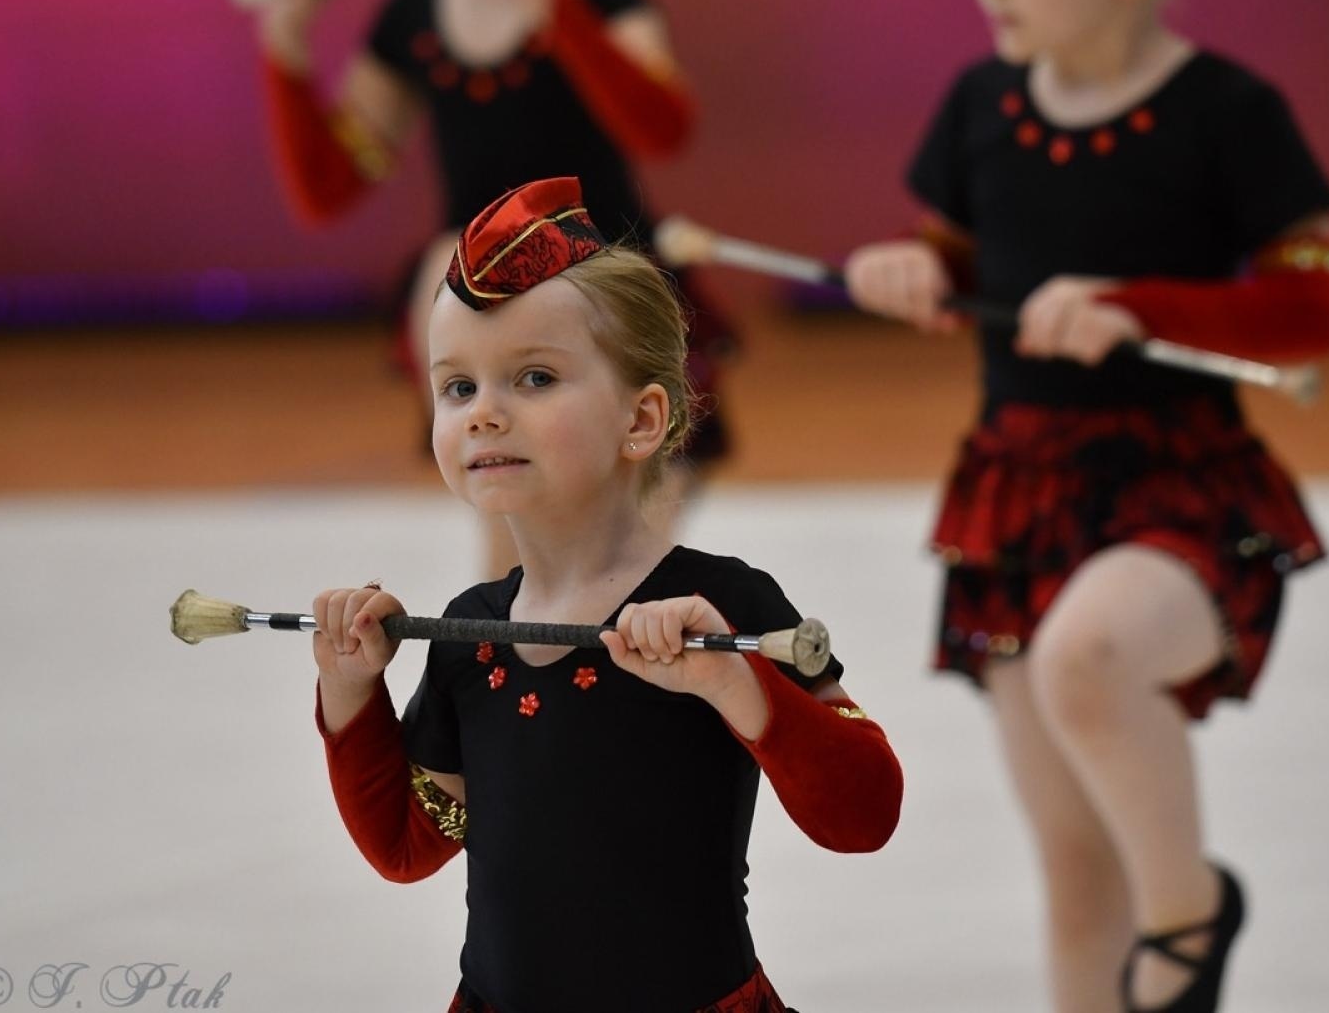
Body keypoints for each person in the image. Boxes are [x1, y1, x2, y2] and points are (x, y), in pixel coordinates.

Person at [842, 0, 1329, 1010]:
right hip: (1018, 492)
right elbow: (957, 255)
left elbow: (1319, 310)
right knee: (1076, 877)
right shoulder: (978, 102)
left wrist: (1141, 306)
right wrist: (914, 269)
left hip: (1179, 488)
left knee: (1090, 656)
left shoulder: (1228, 110)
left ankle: (1188, 915)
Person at [308, 178, 903, 1011]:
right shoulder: (469, 633)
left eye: (536, 378)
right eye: (458, 387)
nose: (483, 414)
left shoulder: (725, 603)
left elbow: (864, 815)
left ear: (643, 419)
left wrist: (737, 687)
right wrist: (350, 693)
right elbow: (410, 846)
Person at [247, 0, 734, 576]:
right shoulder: (414, 14)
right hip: (479, 296)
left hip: (606, 281)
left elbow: (663, 130)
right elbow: (329, 188)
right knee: (515, 518)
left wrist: (559, 4)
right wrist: (287, 51)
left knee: (638, 526)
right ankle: (516, 650)